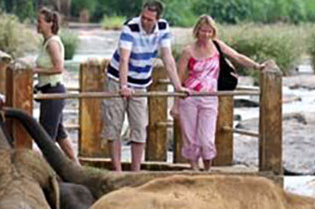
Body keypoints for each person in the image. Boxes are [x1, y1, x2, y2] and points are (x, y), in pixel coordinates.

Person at [176, 15, 263, 171]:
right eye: (203, 31)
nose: (206, 35)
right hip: (189, 97)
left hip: (210, 97)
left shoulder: (217, 46)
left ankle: (208, 169)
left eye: (210, 31)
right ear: (197, 31)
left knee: (206, 139)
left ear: (213, 32)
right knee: (190, 138)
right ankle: (194, 170)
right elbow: (179, 79)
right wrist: (175, 105)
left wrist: (257, 66)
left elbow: (237, 56)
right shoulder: (188, 51)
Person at [103, 0, 181, 172]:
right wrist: (124, 86)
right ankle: (117, 171)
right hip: (117, 78)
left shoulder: (163, 28)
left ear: (157, 19)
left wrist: (177, 87)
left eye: (149, 19)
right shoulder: (130, 27)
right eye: (143, 17)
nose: (145, 22)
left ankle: (135, 171)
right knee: (114, 124)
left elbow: (167, 58)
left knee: (139, 126)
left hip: (141, 81)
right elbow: (124, 59)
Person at [32, 7, 78, 164]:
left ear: (50, 24)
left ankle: (47, 169)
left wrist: (34, 70)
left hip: (54, 91)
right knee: (59, 132)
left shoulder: (52, 43)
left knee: (46, 136)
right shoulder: (46, 42)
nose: (37, 24)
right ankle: (76, 165)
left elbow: (59, 68)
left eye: (40, 22)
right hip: (47, 90)